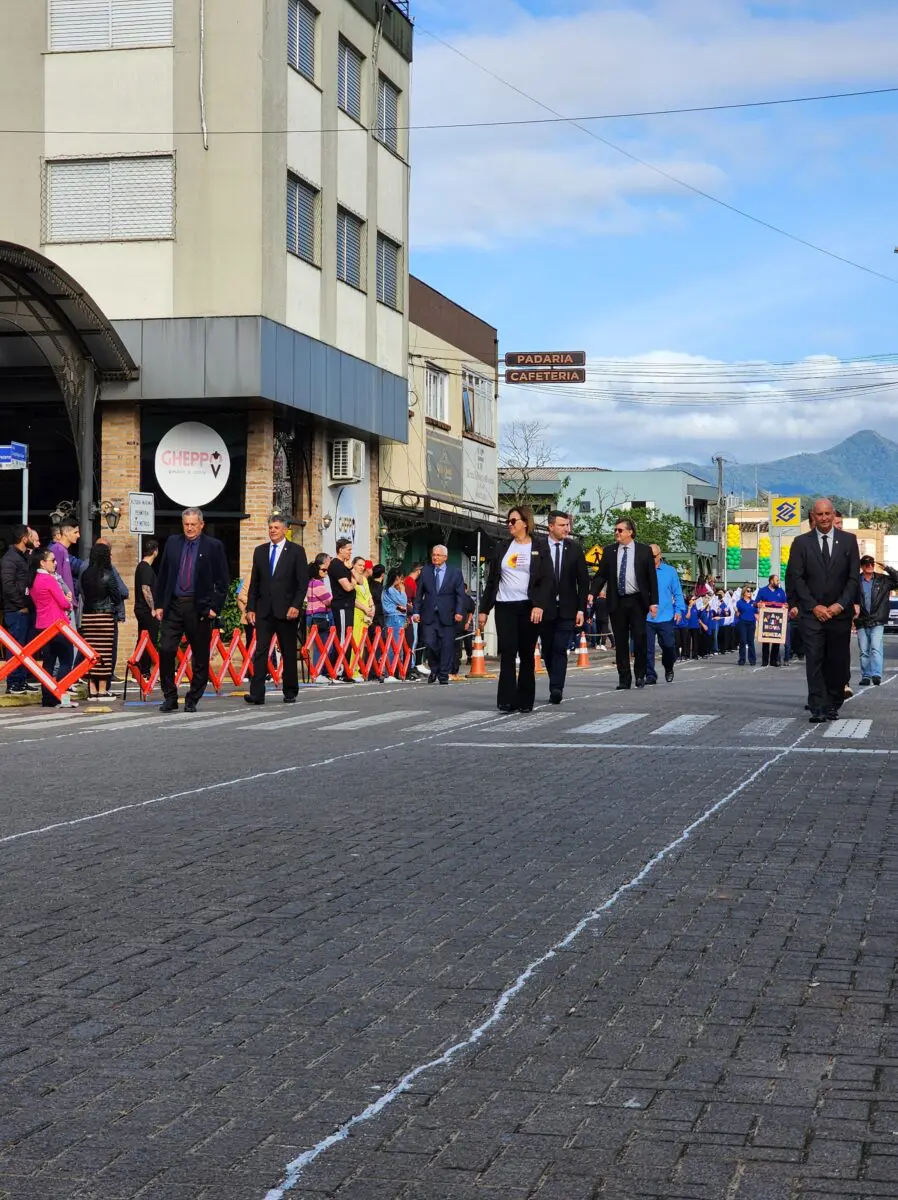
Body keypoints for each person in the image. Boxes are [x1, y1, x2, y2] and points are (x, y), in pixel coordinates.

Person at [786, 498, 860, 722]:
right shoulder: (801, 543)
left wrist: (840, 604)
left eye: (828, 514)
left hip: (840, 613)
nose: (824, 518)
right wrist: (812, 605)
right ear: (813, 517)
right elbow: (796, 578)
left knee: (837, 661)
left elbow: (853, 578)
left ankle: (833, 703)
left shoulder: (849, 541)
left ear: (833, 514)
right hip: (812, 614)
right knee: (815, 659)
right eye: (820, 515)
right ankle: (818, 706)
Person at [153, 507, 230, 713]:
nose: (189, 528)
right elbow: (163, 575)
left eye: (193, 524)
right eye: (186, 524)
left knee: (200, 655)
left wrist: (214, 607)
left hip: (199, 607)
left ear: (201, 525)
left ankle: (193, 697)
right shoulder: (172, 543)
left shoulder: (213, 546)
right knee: (166, 649)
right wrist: (159, 604)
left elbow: (223, 581)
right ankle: (169, 696)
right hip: (174, 605)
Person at [479, 506, 552, 712]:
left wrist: (539, 605)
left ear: (525, 523)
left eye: (513, 521)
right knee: (508, 652)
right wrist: (484, 609)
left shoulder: (539, 547)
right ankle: (506, 699)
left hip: (528, 606)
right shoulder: (502, 547)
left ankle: (525, 700)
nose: (509, 525)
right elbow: (492, 581)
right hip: (505, 605)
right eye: (508, 521)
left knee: (527, 654)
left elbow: (547, 580)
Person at [244, 515, 309, 705]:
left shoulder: (296, 551)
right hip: (264, 611)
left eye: (276, 527)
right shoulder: (260, 551)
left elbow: (302, 582)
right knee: (261, 651)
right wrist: (250, 608)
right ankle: (257, 693)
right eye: (270, 527)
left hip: (287, 610)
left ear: (285, 529)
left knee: (288, 652)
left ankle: (290, 691)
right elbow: (255, 582)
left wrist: (296, 605)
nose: (272, 530)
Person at [589, 517, 658, 690]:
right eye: (615, 530)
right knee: (620, 642)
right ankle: (624, 678)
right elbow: (601, 576)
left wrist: (653, 603)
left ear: (630, 532)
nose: (616, 533)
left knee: (640, 638)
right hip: (617, 600)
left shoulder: (643, 551)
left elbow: (652, 579)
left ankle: (640, 674)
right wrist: (592, 593)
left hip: (637, 601)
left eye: (620, 530)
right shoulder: (610, 551)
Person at [539, 510, 589, 704]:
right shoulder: (539, 547)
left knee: (560, 647)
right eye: (562, 525)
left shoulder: (574, 549)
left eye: (567, 525)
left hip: (568, 608)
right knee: (548, 649)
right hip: (545, 608)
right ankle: (555, 679)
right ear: (551, 526)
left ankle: (556, 688)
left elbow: (583, 581)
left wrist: (581, 609)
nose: (566, 529)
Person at [28, 547, 77, 708]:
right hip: (57, 625)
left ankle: (47, 697)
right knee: (66, 660)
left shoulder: (34, 579)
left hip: (42, 625)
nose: (55, 563)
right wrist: (68, 599)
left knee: (48, 663)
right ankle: (58, 693)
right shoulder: (49, 579)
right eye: (52, 560)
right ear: (43, 562)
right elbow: (63, 603)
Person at [413, 545, 465, 686]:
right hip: (429, 615)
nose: (435, 557)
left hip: (448, 615)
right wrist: (416, 611)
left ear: (445, 557)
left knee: (446, 646)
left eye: (438, 555)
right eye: (433, 554)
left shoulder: (455, 573)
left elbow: (460, 595)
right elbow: (419, 594)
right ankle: (434, 669)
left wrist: (459, 612)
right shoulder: (426, 572)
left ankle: (443, 675)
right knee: (430, 643)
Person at [79, 542, 123, 701]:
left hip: (88, 617)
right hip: (105, 616)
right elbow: (117, 596)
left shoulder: (85, 574)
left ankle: (92, 689)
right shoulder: (108, 574)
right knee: (105, 652)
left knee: (90, 652)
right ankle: (102, 690)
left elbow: (82, 593)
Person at [1, 525, 37, 695]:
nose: (33, 538)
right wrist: (20, 605)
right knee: (15, 646)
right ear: (24, 539)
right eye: (30, 535)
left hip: (25, 609)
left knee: (25, 647)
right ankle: (14, 682)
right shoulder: (10, 559)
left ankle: (21, 680)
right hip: (15, 611)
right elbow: (8, 586)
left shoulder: (23, 557)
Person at [855, 555, 898, 686]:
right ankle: (866, 676)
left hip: (877, 619)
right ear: (862, 566)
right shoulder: (856, 581)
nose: (870, 566)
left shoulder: (883, 579)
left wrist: (887, 568)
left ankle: (876, 674)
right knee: (863, 650)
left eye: (872, 564)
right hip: (861, 619)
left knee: (875, 647)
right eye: (867, 564)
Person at [646, 544, 685, 684]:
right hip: (646, 617)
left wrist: (679, 610)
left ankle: (669, 667)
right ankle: (650, 675)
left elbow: (677, 593)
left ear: (660, 555)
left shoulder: (670, 572)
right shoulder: (642, 571)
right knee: (647, 648)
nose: (651, 559)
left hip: (666, 616)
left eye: (654, 556)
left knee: (669, 646)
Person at [327, 538, 356, 680]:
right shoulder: (336, 566)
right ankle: (338, 669)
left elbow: (361, 580)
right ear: (341, 549)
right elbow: (348, 587)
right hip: (342, 606)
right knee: (343, 637)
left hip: (349, 606)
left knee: (348, 637)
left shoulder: (346, 565)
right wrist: (354, 580)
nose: (350, 552)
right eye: (348, 549)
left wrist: (352, 569)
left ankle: (344, 670)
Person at [304, 553, 333, 683]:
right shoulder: (317, 584)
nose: (326, 572)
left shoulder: (311, 583)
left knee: (319, 645)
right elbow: (328, 600)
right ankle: (317, 672)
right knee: (321, 645)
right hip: (319, 616)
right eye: (323, 570)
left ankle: (319, 672)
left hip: (312, 616)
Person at [133, 538, 159, 677]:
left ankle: (138, 667)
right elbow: (145, 589)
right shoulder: (146, 568)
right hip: (146, 610)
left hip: (141, 609)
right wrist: (153, 608)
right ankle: (145, 671)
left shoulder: (140, 567)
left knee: (143, 639)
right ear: (155, 552)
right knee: (150, 640)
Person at [350, 556, 376, 681]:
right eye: (359, 565)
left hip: (366, 615)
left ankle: (357, 669)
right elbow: (352, 599)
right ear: (353, 565)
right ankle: (352, 670)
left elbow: (369, 595)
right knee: (355, 642)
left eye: (363, 565)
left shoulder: (364, 579)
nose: (361, 567)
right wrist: (365, 609)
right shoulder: (351, 578)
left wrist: (372, 607)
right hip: (356, 613)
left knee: (361, 644)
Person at [381, 568, 408, 681]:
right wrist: (403, 590)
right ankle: (389, 672)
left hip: (397, 618)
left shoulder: (389, 590)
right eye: (401, 578)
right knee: (394, 646)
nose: (402, 581)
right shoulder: (390, 590)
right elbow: (403, 602)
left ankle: (395, 672)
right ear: (396, 577)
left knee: (398, 647)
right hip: (394, 618)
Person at [452, 582, 477, 677]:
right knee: (456, 645)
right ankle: (456, 663)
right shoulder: (454, 598)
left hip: (465, 625)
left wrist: (468, 622)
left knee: (467, 643)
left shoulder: (468, 599)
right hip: (456, 626)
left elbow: (471, 611)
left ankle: (469, 657)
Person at [403, 562, 424, 678]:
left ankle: (412, 664)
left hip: (413, 614)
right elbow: (407, 600)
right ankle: (410, 665)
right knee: (413, 640)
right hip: (411, 615)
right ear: (418, 571)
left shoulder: (412, 582)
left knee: (414, 640)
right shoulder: (409, 582)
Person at [735, 585, 758, 665]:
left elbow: (756, 613)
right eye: (748, 591)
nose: (750, 592)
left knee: (751, 641)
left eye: (750, 591)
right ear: (744, 593)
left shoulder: (754, 602)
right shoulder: (739, 602)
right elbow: (737, 613)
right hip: (743, 623)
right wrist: (736, 613)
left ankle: (752, 660)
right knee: (743, 641)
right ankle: (742, 659)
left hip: (751, 622)